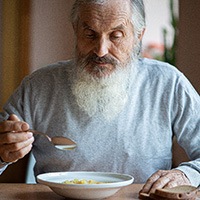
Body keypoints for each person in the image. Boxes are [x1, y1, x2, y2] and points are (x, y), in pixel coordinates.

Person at [0, 0, 199, 195]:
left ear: (138, 36)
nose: (101, 50)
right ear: (75, 30)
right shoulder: (37, 86)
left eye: (116, 36)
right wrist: (2, 153)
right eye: (90, 34)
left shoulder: (168, 83)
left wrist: (186, 174)